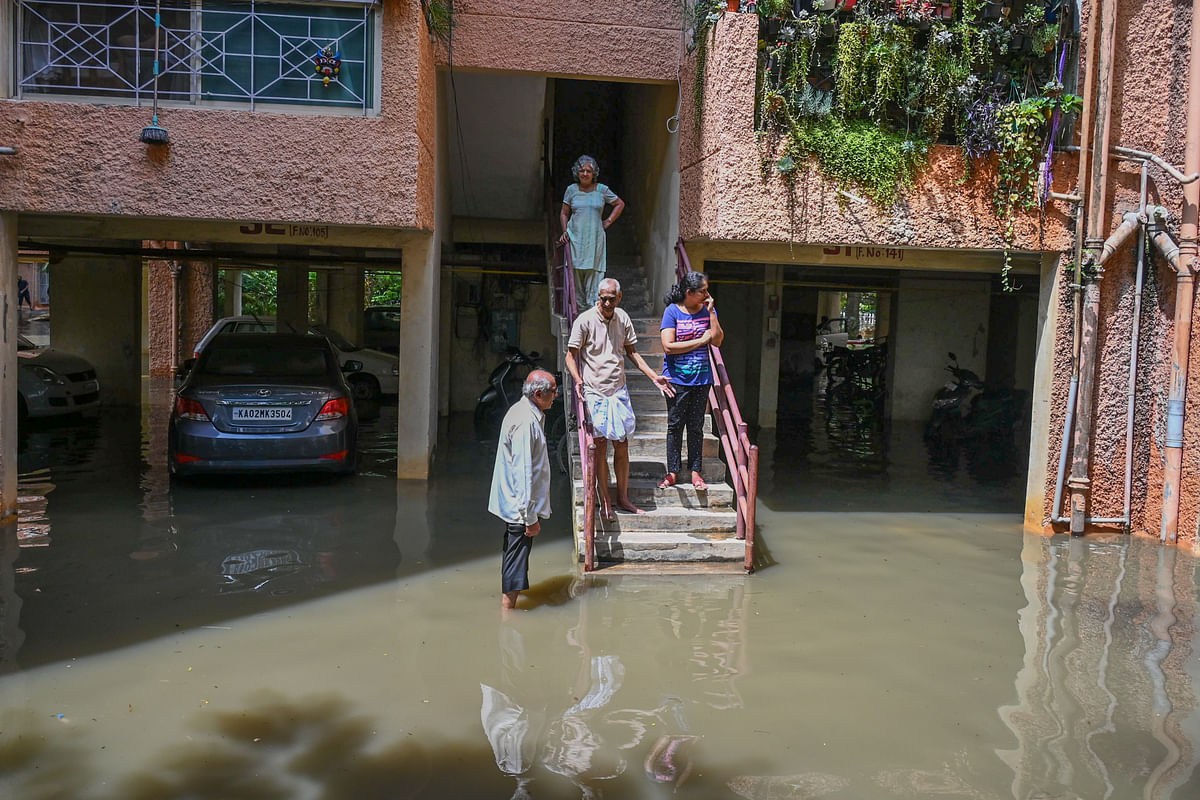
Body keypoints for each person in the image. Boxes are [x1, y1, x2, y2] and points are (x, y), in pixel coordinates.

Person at [566, 278, 673, 522]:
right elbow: (570, 357)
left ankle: (623, 497)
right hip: (595, 390)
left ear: (619, 298)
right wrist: (578, 380)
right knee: (601, 446)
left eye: (611, 298)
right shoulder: (584, 321)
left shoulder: (622, 318)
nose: (606, 302)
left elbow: (631, 351)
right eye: (602, 298)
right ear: (598, 296)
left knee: (622, 446)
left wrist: (653, 377)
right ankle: (605, 502)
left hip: (618, 390)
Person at [488, 370, 558, 611]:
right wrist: (530, 518)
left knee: (516, 557)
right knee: (516, 561)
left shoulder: (528, 413)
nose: (556, 396)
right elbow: (523, 473)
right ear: (538, 394)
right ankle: (507, 614)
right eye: (553, 392)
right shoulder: (525, 421)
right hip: (520, 507)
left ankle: (509, 610)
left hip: (519, 504)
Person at [659, 271, 724, 491]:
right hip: (676, 379)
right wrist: (699, 341)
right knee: (675, 426)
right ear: (689, 293)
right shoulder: (672, 312)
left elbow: (717, 340)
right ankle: (673, 471)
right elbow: (668, 345)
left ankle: (696, 471)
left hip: (702, 379)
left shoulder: (707, 310)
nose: (707, 294)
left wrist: (712, 311)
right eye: (703, 291)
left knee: (696, 427)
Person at [558, 155, 625, 312]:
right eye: (582, 170)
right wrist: (565, 231)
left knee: (594, 274)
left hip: (595, 239)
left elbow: (619, 203)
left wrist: (608, 221)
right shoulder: (571, 190)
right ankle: (579, 311)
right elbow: (563, 213)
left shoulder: (602, 190)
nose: (585, 174)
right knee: (575, 274)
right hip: (575, 239)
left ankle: (592, 310)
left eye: (589, 170)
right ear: (577, 172)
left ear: (594, 173)